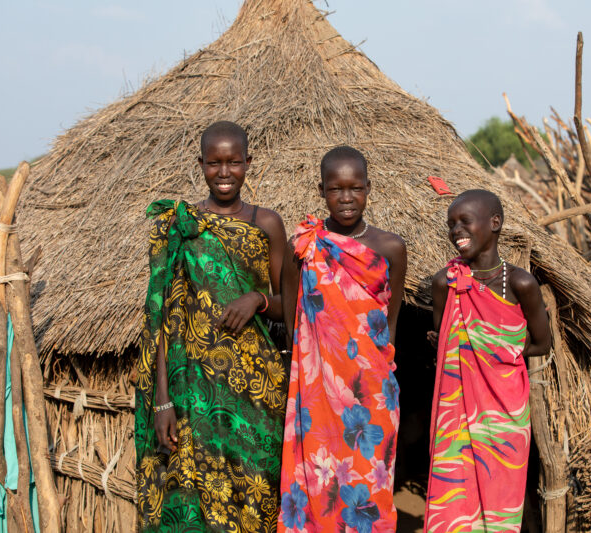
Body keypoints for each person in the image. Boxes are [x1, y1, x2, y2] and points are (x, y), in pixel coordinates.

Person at [135, 121, 289, 532]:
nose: (224, 173)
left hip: (256, 392)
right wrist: (162, 401)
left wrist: (257, 299)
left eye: (234, 162)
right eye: (214, 163)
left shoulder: (267, 224)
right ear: (199, 163)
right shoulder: (180, 226)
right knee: (192, 501)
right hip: (192, 393)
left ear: (248, 163)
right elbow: (162, 319)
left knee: (254, 502)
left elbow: (291, 307)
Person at [277, 146, 407, 533]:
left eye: (355, 188)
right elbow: (289, 302)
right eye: (336, 189)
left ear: (369, 188)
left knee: (370, 484)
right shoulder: (305, 244)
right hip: (316, 388)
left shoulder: (390, 247)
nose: (346, 198)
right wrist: (295, 357)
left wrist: (384, 374)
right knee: (318, 480)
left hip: (372, 390)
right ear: (321, 190)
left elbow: (390, 319)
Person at [424, 190, 550, 533]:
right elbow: (448, 343)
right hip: (456, 411)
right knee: (454, 503)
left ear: (495, 223)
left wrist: (495, 349)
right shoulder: (443, 283)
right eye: (451, 224)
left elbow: (541, 343)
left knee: (500, 503)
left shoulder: (521, 284)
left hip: (504, 413)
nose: (456, 230)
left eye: (465, 221)